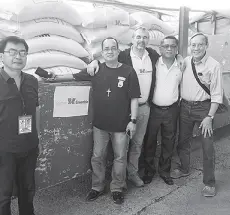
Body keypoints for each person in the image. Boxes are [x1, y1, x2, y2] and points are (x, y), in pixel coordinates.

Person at [53, 37, 141, 204]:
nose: (109, 51)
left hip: (121, 125)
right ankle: (97, 187)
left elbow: (134, 98)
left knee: (120, 157)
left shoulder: (129, 71)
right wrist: (52, 76)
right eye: (106, 48)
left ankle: (117, 187)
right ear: (101, 52)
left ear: (118, 50)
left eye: (113, 48)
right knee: (97, 156)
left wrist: (133, 121)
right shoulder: (96, 70)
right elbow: (73, 76)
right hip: (100, 125)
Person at [0, 36, 41, 215]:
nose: (18, 56)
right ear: (1, 56)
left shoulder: (32, 81)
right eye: (12, 52)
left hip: (29, 146)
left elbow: (36, 111)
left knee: (28, 188)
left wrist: (37, 137)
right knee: (3, 194)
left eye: (22, 52)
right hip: (4, 148)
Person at [87, 27, 159, 188]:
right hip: (124, 111)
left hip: (144, 107)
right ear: (132, 39)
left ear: (148, 40)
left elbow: (170, 56)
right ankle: (107, 183)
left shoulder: (153, 55)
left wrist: (180, 56)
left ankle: (131, 174)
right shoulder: (125, 55)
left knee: (137, 144)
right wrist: (93, 61)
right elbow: (108, 58)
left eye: (145, 37)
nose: (141, 40)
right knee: (114, 152)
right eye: (138, 37)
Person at [171, 32, 223, 197]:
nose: (196, 48)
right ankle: (184, 168)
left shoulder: (214, 66)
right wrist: (179, 55)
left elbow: (217, 95)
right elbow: (175, 56)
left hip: (204, 109)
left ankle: (209, 183)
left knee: (207, 147)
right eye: (193, 45)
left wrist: (210, 117)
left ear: (206, 46)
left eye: (200, 44)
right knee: (183, 141)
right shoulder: (185, 61)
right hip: (184, 107)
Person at [142, 36, 182, 185]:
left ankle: (165, 171)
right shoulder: (154, 63)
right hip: (154, 109)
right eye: (166, 46)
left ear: (177, 49)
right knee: (150, 141)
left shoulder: (181, 66)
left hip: (172, 110)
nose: (169, 49)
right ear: (160, 48)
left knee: (169, 142)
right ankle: (149, 171)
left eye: (172, 46)